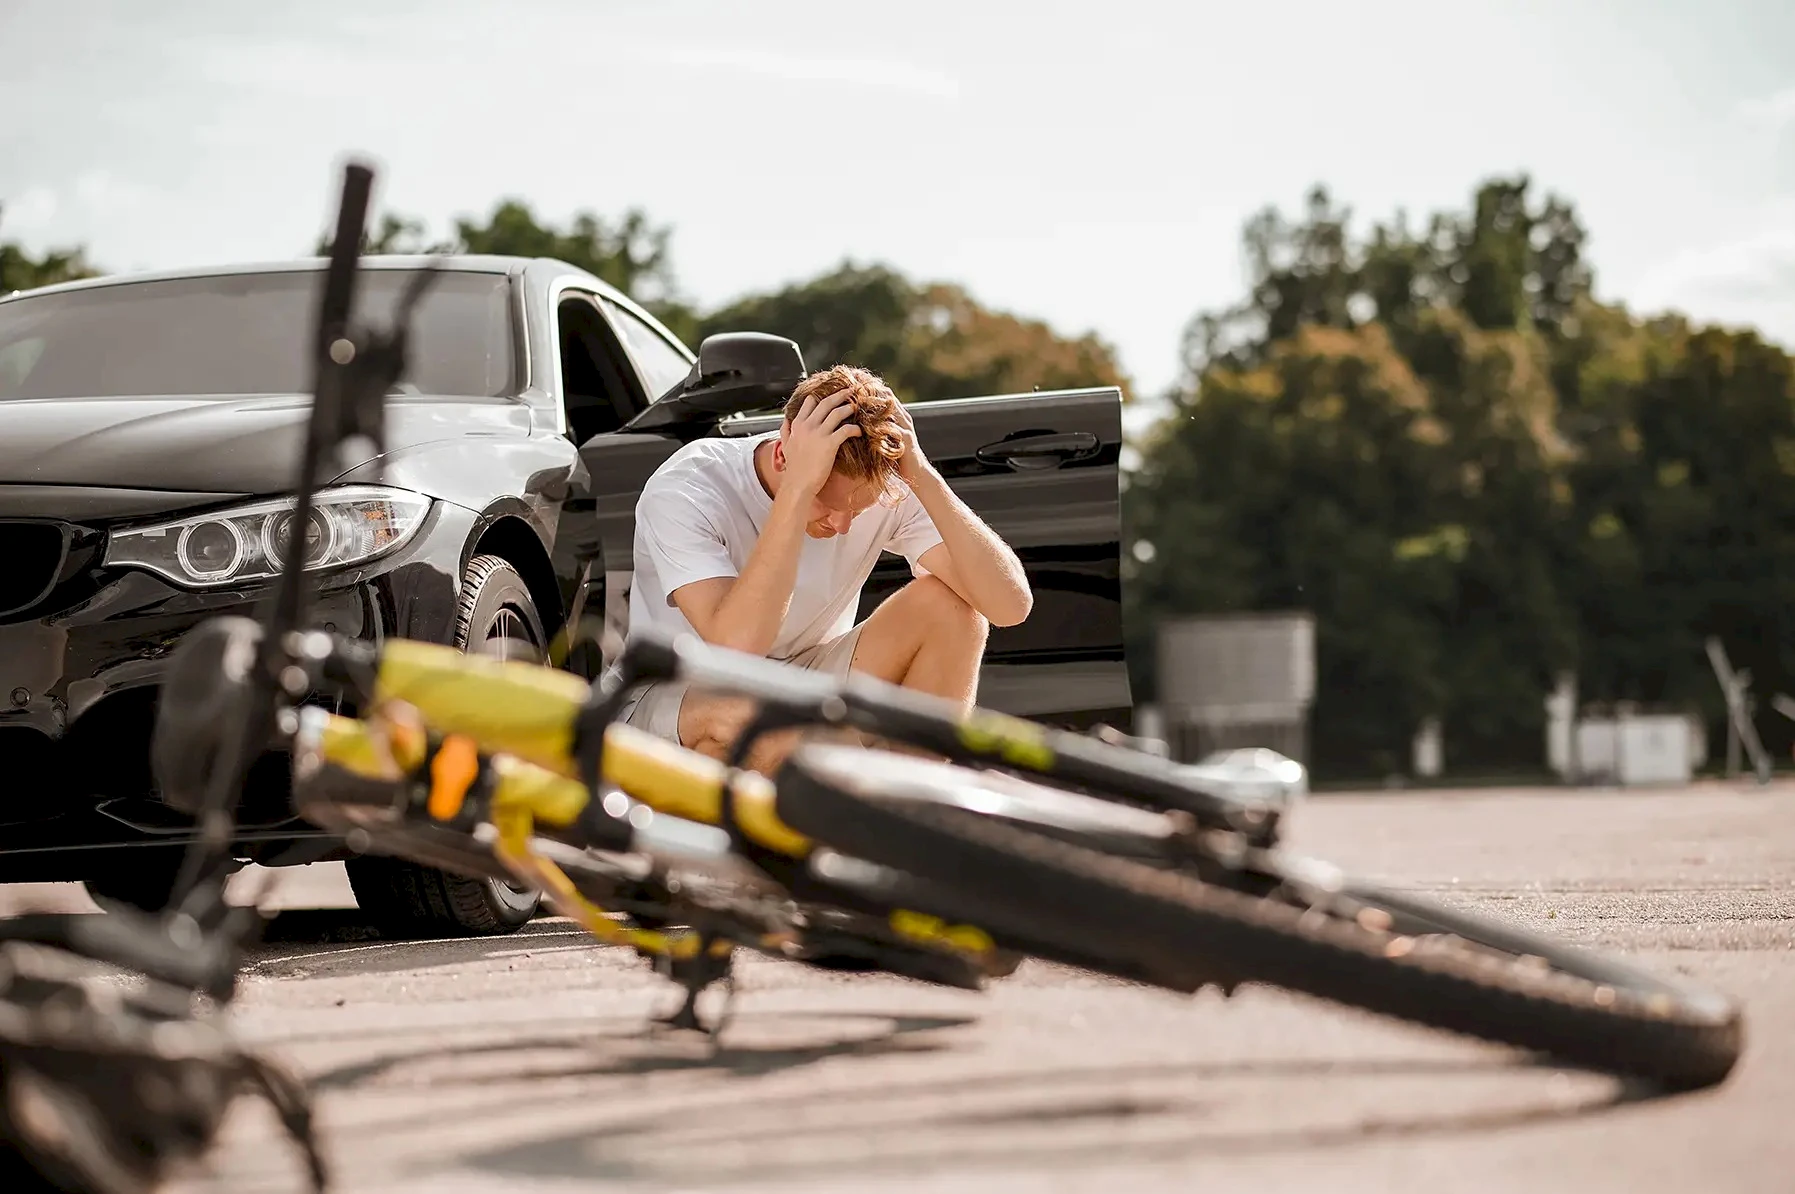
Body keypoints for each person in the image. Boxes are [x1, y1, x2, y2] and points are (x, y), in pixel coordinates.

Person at [613, 363, 1034, 773]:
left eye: (858, 508)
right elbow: (735, 652)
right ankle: (840, 798)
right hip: (676, 690)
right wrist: (796, 493)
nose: (843, 525)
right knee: (741, 717)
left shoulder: (882, 488)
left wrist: (922, 474)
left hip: (803, 688)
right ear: (783, 453)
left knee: (954, 608)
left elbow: (1010, 607)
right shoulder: (689, 487)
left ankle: (905, 814)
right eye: (829, 505)